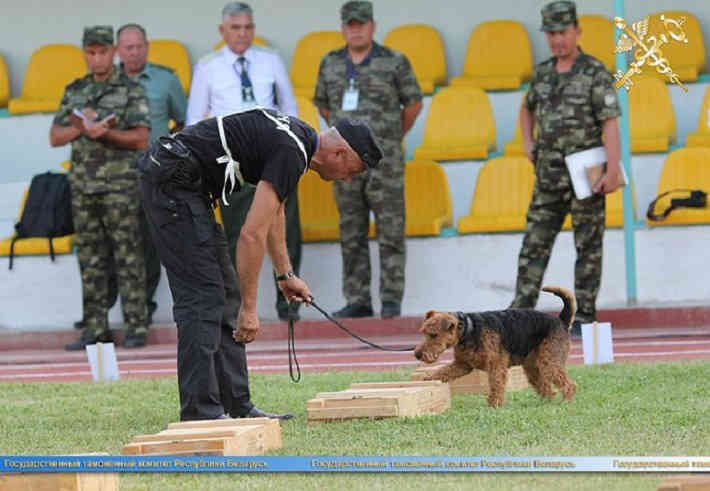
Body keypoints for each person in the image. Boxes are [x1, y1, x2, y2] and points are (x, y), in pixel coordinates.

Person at [137, 108, 381, 421]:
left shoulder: (300, 141)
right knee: (203, 297)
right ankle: (201, 414)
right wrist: (250, 310)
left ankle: (237, 406)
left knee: (223, 292)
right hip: (173, 181)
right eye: (353, 171)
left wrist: (285, 274)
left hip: (186, 183)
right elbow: (251, 235)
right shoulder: (293, 150)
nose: (348, 180)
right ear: (340, 152)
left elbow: (274, 213)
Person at [509, 1, 623, 335]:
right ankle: (518, 316)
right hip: (548, 178)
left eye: (563, 32)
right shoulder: (543, 73)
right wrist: (528, 143)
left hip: (586, 178)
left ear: (577, 31)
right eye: (552, 33)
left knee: (588, 248)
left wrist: (613, 169)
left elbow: (610, 123)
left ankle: (584, 316)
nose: (558, 39)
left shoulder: (594, 71)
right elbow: (526, 109)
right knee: (533, 247)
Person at [72, 23, 188, 346]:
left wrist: (166, 149)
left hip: (153, 172)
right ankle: (100, 313)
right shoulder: (107, 83)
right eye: (127, 47)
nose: (133, 52)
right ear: (117, 51)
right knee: (105, 247)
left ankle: (142, 311)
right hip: (113, 176)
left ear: (147, 46)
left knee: (145, 244)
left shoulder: (166, 79)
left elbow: (182, 119)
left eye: (138, 47)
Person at [187, 1, 302, 322]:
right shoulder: (208, 66)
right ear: (222, 31)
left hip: (272, 156)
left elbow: (290, 110)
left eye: (248, 27)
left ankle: (289, 302)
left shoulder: (270, 60)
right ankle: (242, 306)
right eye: (235, 28)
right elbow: (195, 119)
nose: (242, 34)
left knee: (286, 228)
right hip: (231, 161)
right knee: (239, 233)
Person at [314, 0, 423, 319]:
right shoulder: (330, 63)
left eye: (362, 23)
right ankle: (358, 298)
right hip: (342, 164)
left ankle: (391, 300)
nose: (356, 29)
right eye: (351, 24)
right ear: (343, 27)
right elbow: (323, 106)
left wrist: (388, 139)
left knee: (390, 231)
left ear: (373, 26)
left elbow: (413, 104)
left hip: (384, 164)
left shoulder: (394, 61)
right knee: (351, 231)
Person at [49, 26, 151, 350]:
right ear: (85, 53)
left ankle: (136, 326)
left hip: (120, 186)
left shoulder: (130, 89)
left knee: (128, 256)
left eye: (103, 52)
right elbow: (55, 136)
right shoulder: (74, 90)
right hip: (83, 187)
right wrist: (82, 127)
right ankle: (95, 328)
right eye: (91, 52)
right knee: (91, 260)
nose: (97, 58)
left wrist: (104, 134)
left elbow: (141, 138)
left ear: (113, 52)